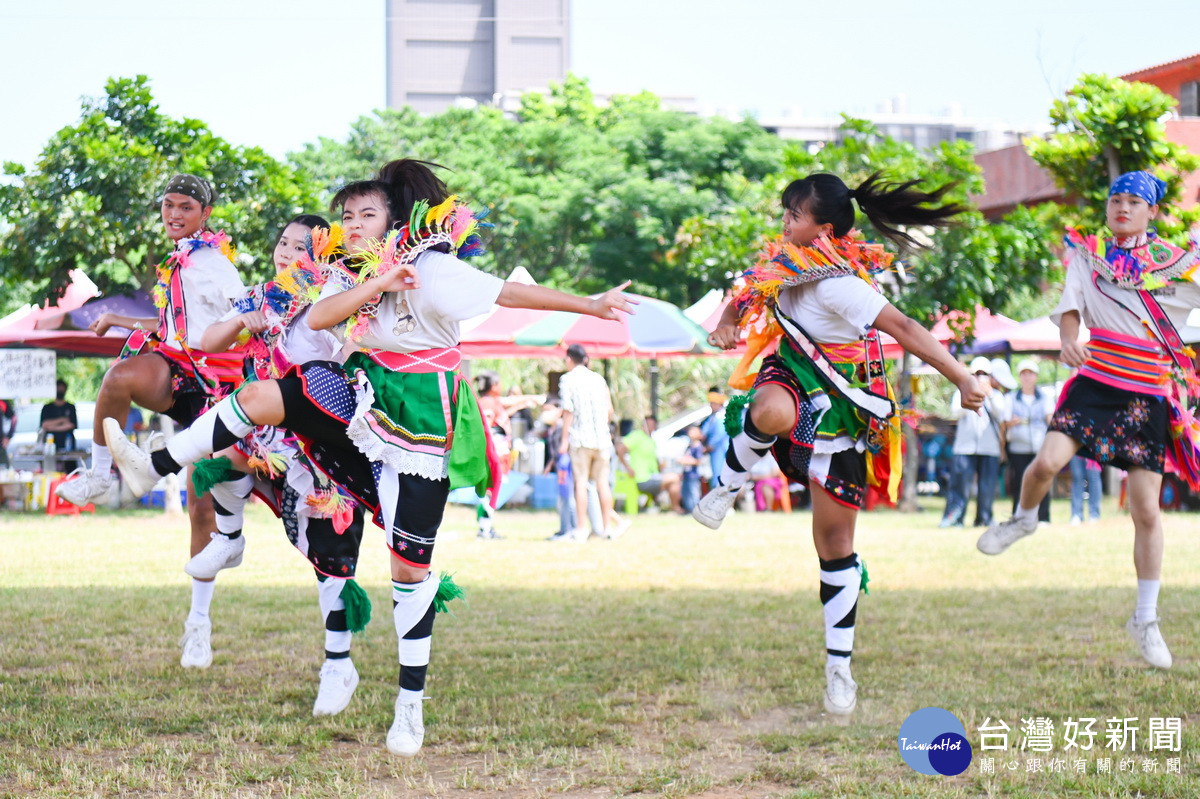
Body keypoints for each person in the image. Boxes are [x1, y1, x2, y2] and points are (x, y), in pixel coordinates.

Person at [106, 158, 635, 755]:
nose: (353, 224)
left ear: (393, 219)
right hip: (359, 398)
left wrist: (590, 305)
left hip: (420, 421)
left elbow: (507, 291)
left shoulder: (431, 269)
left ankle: (409, 705)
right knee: (263, 396)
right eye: (347, 216)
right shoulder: (350, 271)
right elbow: (323, 316)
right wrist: (376, 284)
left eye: (367, 214)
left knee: (409, 572)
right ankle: (156, 464)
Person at [694, 171, 985, 716]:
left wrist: (962, 377)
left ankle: (839, 669)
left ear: (824, 227)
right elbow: (746, 294)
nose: (785, 223)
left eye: (794, 216)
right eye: (784, 213)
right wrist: (728, 322)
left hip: (844, 411)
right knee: (768, 410)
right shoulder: (781, 264)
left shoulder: (841, 284)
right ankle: (725, 489)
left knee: (834, 546)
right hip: (790, 377)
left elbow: (906, 329)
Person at [977, 171, 1200, 670]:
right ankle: (1024, 518)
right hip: (1097, 381)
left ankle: (1146, 618)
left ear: (1152, 212)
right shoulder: (1088, 253)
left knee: (1146, 510)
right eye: (1115, 199)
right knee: (1044, 464)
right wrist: (1068, 339)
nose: (1122, 207)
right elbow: (1071, 305)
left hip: (1148, 393)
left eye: (1133, 202)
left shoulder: (1178, 264)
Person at [59, 174, 249, 670]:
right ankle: (101, 475)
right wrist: (120, 321)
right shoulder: (179, 262)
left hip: (218, 389)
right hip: (179, 371)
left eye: (185, 206)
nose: (173, 214)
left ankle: (198, 626)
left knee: (201, 508)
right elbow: (173, 329)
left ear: (205, 214)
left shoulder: (214, 264)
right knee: (120, 376)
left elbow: (249, 313)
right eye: (167, 205)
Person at [558, 344, 629, 539]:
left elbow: (568, 412)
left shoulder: (567, 379)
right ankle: (607, 528)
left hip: (580, 439)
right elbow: (610, 411)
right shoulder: (599, 379)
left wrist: (564, 440)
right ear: (586, 360)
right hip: (602, 439)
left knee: (581, 483)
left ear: (569, 359)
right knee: (602, 484)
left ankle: (581, 529)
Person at [939, 357, 1006, 528]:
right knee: (960, 485)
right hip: (965, 447)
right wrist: (969, 395)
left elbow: (1002, 415)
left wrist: (989, 394)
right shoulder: (960, 392)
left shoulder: (997, 396)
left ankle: (984, 517)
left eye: (985, 374)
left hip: (989, 448)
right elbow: (955, 413)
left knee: (987, 486)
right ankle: (955, 517)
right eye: (977, 374)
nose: (980, 377)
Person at [1004, 359, 1052, 523]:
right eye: (1024, 374)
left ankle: (1044, 517)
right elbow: (1004, 422)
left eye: (1030, 373)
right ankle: (1019, 517)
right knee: (1019, 482)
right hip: (1018, 447)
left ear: (1036, 376)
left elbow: (1050, 420)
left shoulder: (1044, 398)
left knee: (1042, 481)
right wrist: (1011, 422)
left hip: (1039, 446)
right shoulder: (1011, 397)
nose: (1027, 377)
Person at [615, 415, 684, 514]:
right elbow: (620, 448)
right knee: (674, 478)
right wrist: (628, 467)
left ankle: (661, 506)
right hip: (641, 478)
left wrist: (660, 466)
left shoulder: (651, 441)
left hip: (652, 476)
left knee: (675, 478)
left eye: (652, 424)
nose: (649, 427)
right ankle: (676, 508)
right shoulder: (637, 435)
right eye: (647, 424)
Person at [698, 386, 729, 485]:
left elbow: (718, 435)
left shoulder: (721, 416)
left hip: (719, 451)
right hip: (714, 453)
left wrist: (708, 447)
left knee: (720, 479)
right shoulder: (713, 417)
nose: (711, 405)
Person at [40, 379, 78, 455]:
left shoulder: (70, 407)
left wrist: (51, 427)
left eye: (62, 388)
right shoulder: (47, 407)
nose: (60, 390)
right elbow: (44, 425)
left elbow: (71, 425)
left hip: (67, 446)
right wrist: (62, 420)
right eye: (58, 388)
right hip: (50, 446)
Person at [678, 424, 705, 512]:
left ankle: (696, 510)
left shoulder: (698, 447)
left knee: (693, 493)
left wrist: (685, 461)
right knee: (686, 493)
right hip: (686, 474)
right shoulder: (689, 446)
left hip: (693, 475)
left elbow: (698, 461)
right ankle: (688, 510)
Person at [1069, 455, 1103, 524]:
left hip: (1093, 447)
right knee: (1077, 476)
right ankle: (1076, 514)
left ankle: (1094, 514)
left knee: (1094, 475)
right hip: (1076, 447)